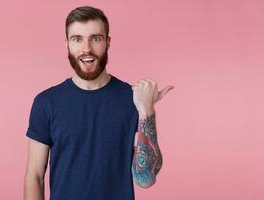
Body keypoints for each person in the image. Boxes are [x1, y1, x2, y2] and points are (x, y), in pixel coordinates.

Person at [23, 5, 174, 200]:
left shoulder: (133, 99)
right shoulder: (46, 103)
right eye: (77, 39)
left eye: (95, 39)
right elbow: (34, 177)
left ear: (108, 42)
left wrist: (146, 112)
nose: (87, 48)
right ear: (67, 44)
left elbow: (145, 179)